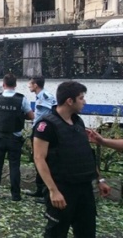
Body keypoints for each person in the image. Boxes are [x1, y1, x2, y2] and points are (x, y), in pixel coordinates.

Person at [33, 81, 111, 237]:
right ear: (70, 101)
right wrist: (53, 191)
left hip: (84, 190)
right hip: (62, 188)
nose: (84, 102)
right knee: (56, 232)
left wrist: (99, 180)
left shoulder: (78, 121)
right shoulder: (46, 125)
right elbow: (39, 158)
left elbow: (85, 153)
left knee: (87, 232)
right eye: (81, 98)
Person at [0, 73, 34, 201]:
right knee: (14, 166)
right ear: (15, 85)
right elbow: (31, 116)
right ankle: (16, 195)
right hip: (15, 138)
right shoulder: (21, 99)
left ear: (3, 84)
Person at [26, 76, 57, 203]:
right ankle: (39, 190)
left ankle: (46, 193)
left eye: (30, 83)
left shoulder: (45, 96)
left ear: (36, 85)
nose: (29, 86)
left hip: (43, 131)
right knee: (38, 159)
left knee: (43, 160)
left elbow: (50, 114)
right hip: (39, 129)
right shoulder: (40, 96)